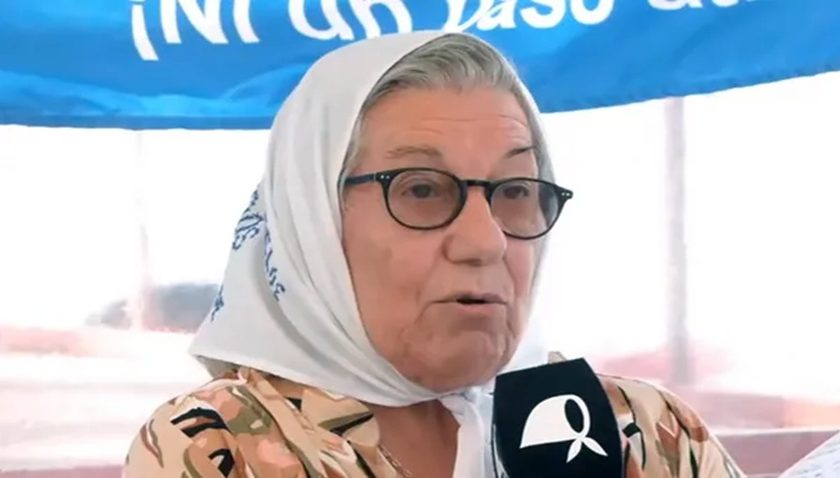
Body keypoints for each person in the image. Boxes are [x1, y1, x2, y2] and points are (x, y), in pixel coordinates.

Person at [123, 31, 744, 478]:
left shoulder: (642, 433)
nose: (486, 241)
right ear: (314, 222)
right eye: (422, 190)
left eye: (515, 191)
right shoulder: (222, 445)